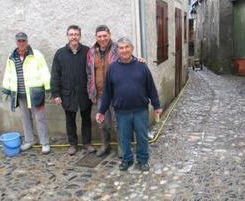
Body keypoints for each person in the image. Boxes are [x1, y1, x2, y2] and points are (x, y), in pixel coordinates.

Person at [96, 37, 163, 171]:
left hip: (140, 110)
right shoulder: (113, 68)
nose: (124, 50)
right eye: (121, 48)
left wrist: (157, 105)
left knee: (142, 138)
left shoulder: (141, 66)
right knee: (124, 138)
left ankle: (143, 160)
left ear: (132, 48)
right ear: (118, 50)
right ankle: (127, 160)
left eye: (127, 47)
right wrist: (101, 111)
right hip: (121, 112)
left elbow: (151, 87)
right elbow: (107, 93)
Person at [2, 32, 51, 154]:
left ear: (27, 41)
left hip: (36, 92)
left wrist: (48, 88)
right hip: (20, 94)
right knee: (25, 118)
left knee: (40, 118)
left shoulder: (36, 54)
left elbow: (44, 71)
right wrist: (6, 90)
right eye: (19, 41)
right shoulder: (11, 56)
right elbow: (8, 73)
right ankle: (29, 140)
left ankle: (44, 143)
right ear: (16, 42)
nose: (21, 43)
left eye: (24, 40)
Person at [51, 25, 95, 155]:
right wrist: (56, 94)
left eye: (76, 34)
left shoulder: (87, 51)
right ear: (67, 36)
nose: (74, 36)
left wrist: (92, 91)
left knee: (86, 118)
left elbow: (93, 71)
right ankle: (73, 144)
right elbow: (55, 75)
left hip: (84, 93)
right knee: (70, 120)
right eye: (71, 34)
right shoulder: (60, 53)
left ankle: (87, 143)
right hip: (67, 93)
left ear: (79, 36)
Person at [86, 25, 119, 157]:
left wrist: (139, 60)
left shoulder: (118, 48)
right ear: (96, 37)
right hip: (100, 95)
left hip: (117, 94)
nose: (102, 38)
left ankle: (122, 146)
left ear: (109, 35)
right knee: (103, 123)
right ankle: (106, 145)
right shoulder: (91, 52)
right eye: (100, 36)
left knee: (118, 123)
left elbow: (129, 58)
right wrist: (91, 91)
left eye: (105, 35)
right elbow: (89, 73)